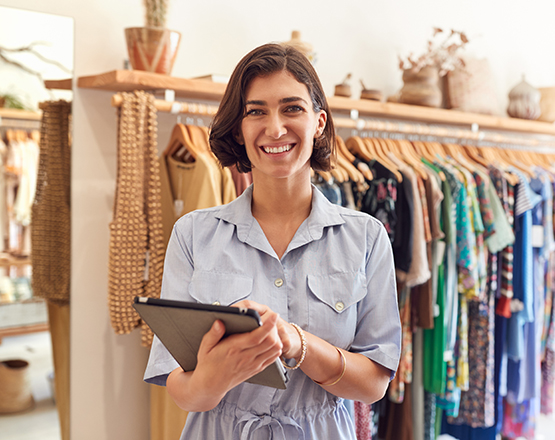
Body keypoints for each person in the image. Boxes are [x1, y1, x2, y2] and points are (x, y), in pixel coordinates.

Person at [143, 43, 401, 439]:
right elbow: (178, 385)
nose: (275, 128)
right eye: (256, 111)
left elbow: (374, 384)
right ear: (239, 128)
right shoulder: (193, 234)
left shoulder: (365, 238)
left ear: (318, 121)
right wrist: (213, 378)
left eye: (292, 108)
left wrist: (296, 342)